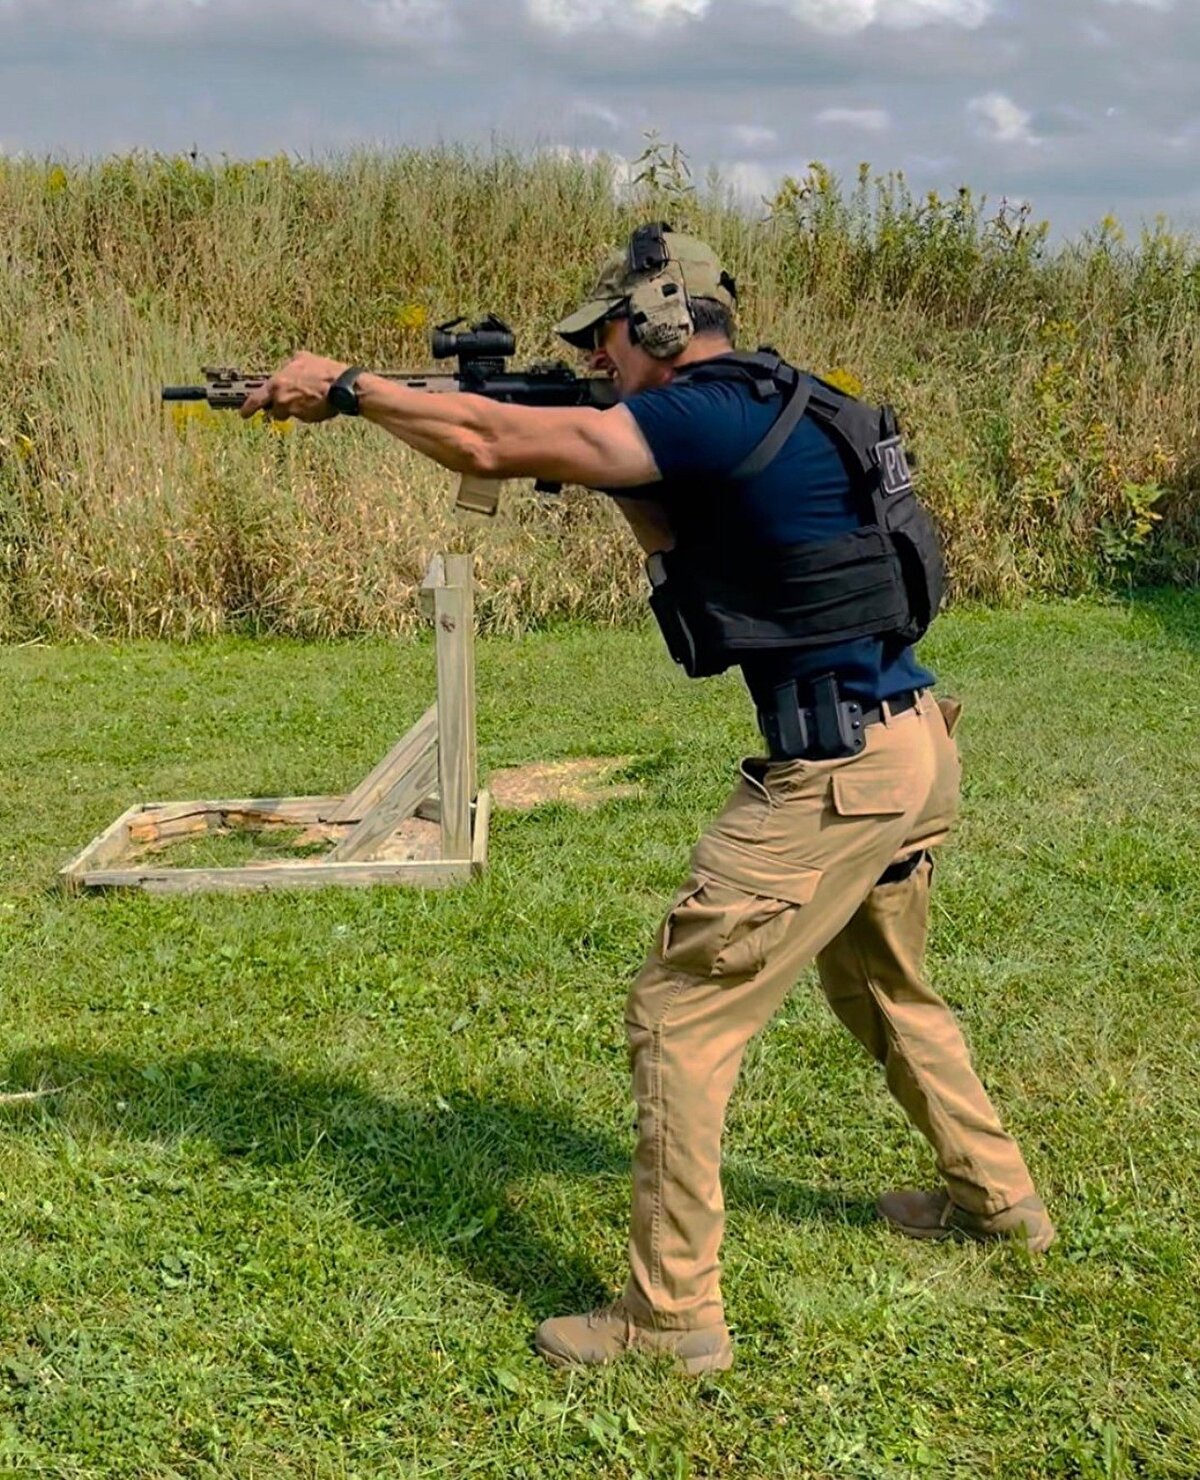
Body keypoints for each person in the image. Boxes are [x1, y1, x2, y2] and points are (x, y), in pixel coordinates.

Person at [242, 223, 1054, 1376]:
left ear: (657, 324)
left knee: (678, 1017)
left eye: (606, 343)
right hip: (911, 744)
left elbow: (483, 425)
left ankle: (671, 1317)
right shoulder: (791, 398)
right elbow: (692, 549)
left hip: (837, 768)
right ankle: (1001, 1200)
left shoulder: (697, 410)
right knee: (882, 981)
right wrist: (569, 460)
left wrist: (349, 390)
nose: (599, 366)